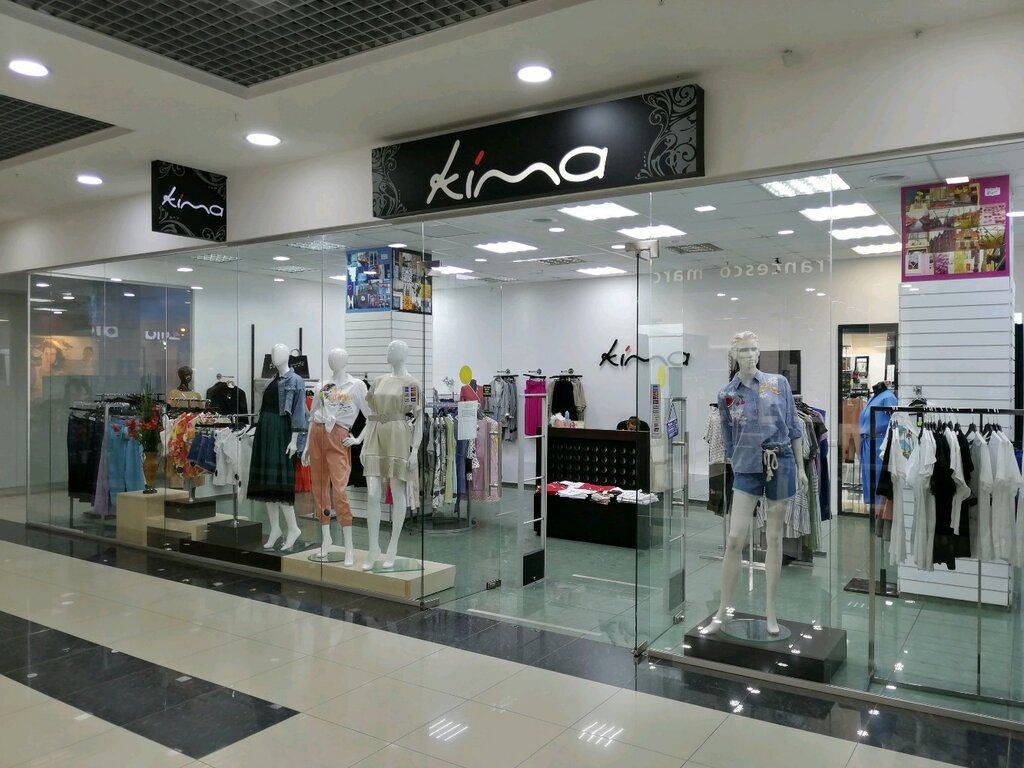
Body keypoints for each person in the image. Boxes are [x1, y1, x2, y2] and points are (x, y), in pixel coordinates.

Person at [703, 331, 806, 636]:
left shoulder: (778, 384)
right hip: (746, 467)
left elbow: (793, 426)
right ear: (734, 355)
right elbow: (728, 438)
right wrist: (734, 463)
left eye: (753, 349)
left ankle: (771, 611)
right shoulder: (726, 394)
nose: (749, 355)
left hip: (780, 461)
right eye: (743, 350)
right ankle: (723, 609)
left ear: (759, 353)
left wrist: (801, 467)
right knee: (735, 538)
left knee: (773, 538)